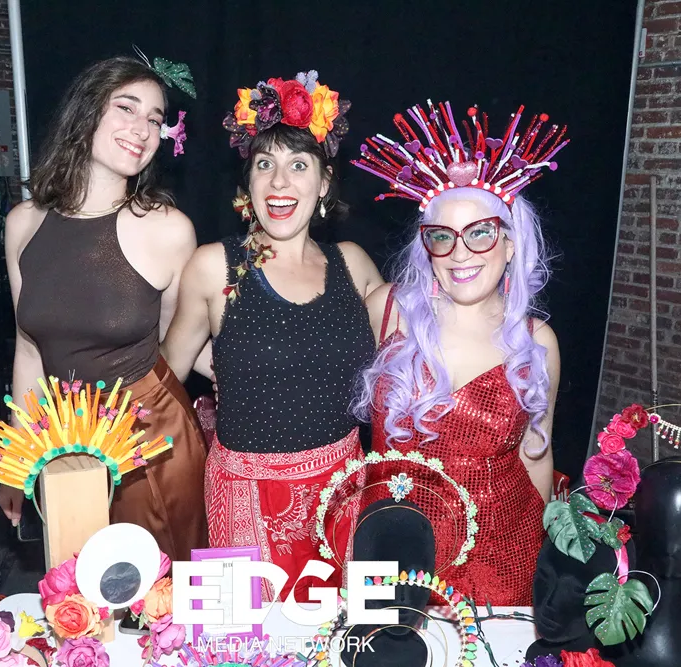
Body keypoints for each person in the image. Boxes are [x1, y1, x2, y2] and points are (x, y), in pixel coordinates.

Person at [160, 71, 384, 601]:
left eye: (299, 165)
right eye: (265, 164)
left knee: (348, 638)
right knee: (241, 641)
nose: (279, 182)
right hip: (243, 504)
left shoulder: (353, 265)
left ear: (324, 183)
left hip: (345, 497)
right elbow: (164, 376)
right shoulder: (214, 267)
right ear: (249, 183)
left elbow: (410, 344)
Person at [351, 102, 565, 605]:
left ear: (510, 244)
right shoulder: (388, 310)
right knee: (377, 644)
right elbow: (306, 362)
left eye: (481, 233)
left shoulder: (538, 341)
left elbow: (537, 456)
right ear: (427, 246)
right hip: (390, 545)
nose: (461, 253)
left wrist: (547, 558)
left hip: (500, 555)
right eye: (443, 236)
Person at [0, 55, 209, 561]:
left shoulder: (168, 229)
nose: (143, 128)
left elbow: (184, 342)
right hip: (64, 439)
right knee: (78, 589)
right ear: (87, 111)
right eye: (127, 108)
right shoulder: (23, 223)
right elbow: (29, 351)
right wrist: (17, 461)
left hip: (149, 440)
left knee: (161, 592)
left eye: (155, 118)